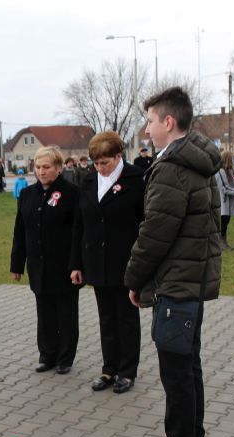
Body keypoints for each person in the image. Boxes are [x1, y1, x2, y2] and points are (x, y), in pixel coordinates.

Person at [125, 86, 222, 437]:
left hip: (177, 285)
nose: (146, 129)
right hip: (190, 283)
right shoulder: (193, 161)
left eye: (150, 121)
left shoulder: (173, 168)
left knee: (178, 375)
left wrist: (134, 278)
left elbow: (155, 234)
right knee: (187, 370)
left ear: (168, 121)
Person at [70, 131, 145, 394]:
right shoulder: (89, 180)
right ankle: (109, 369)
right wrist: (76, 264)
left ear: (118, 156)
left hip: (125, 261)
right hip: (96, 261)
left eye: (105, 163)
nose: (100, 168)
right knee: (106, 318)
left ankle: (127, 371)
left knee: (126, 318)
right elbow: (80, 224)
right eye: (96, 163)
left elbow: (144, 223)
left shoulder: (136, 179)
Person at [10, 145, 80, 375]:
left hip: (64, 266)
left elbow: (78, 232)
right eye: (38, 167)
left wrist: (76, 264)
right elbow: (20, 231)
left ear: (58, 168)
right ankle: (47, 355)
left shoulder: (72, 193)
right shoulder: (27, 194)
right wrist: (16, 264)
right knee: (45, 314)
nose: (41, 171)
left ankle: (65, 358)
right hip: (38, 266)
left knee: (65, 314)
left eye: (47, 167)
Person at [214, 151, 234, 250]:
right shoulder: (220, 171)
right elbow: (224, 188)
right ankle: (221, 243)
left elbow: (233, 183)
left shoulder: (228, 171)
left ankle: (224, 242)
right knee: (223, 223)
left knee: (225, 222)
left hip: (227, 201)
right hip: (223, 201)